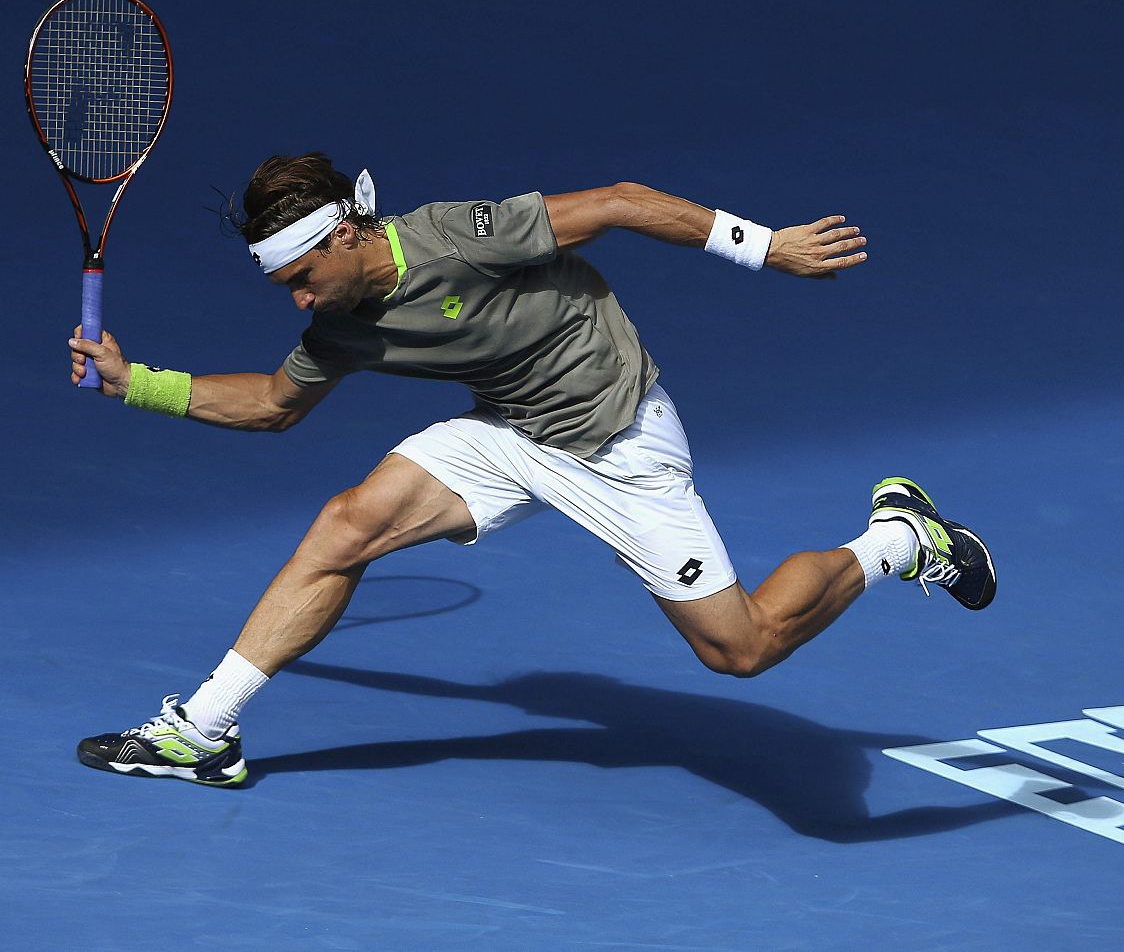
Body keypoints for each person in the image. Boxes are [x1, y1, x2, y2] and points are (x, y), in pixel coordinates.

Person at [67, 153, 996, 788]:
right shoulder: (338, 325)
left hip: (619, 442)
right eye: (288, 291)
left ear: (348, 233)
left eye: (304, 276)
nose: (301, 299)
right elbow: (273, 404)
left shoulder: (460, 234)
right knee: (346, 524)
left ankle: (898, 540)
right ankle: (203, 730)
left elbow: (625, 202)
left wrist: (771, 247)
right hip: (509, 434)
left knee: (741, 648)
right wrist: (137, 385)